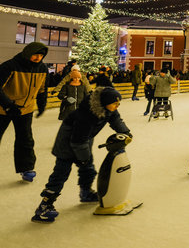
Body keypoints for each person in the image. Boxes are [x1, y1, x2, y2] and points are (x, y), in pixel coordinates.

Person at [31, 86, 130, 223]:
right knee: (60, 174)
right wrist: (84, 159)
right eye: (115, 103)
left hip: (84, 140)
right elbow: (77, 140)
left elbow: (116, 120)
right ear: (104, 102)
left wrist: (126, 132)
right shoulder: (87, 114)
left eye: (118, 103)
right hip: (67, 143)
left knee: (88, 170)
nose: (117, 106)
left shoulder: (109, 108)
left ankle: (86, 193)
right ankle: (44, 206)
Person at [0, 42, 49, 182]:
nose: (38, 58)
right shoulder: (10, 66)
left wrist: (42, 105)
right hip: (0, 109)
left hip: (25, 109)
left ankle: (26, 168)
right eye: (35, 55)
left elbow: (42, 89)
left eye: (41, 55)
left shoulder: (42, 68)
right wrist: (8, 106)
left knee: (25, 140)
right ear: (27, 53)